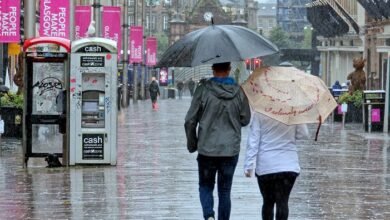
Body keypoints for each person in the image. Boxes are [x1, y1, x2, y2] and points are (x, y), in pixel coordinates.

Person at [184, 62, 251, 220]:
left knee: (205, 186)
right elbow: (245, 119)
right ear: (229, 70)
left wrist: (193, 144)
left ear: (213, 70)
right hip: (230, 149)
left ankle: (209, 216)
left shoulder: (203, 90)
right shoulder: (240, 91)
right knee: (225, 191)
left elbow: (190, 121)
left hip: (207, 149)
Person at [244, 112, 309, 220]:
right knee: (283, 201)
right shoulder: (293, 111)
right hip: (288, 166)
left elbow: (253, 140)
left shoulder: (260, 112)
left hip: (266, 167)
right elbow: (304, 134)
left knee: (268, 202)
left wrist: (249, 165)